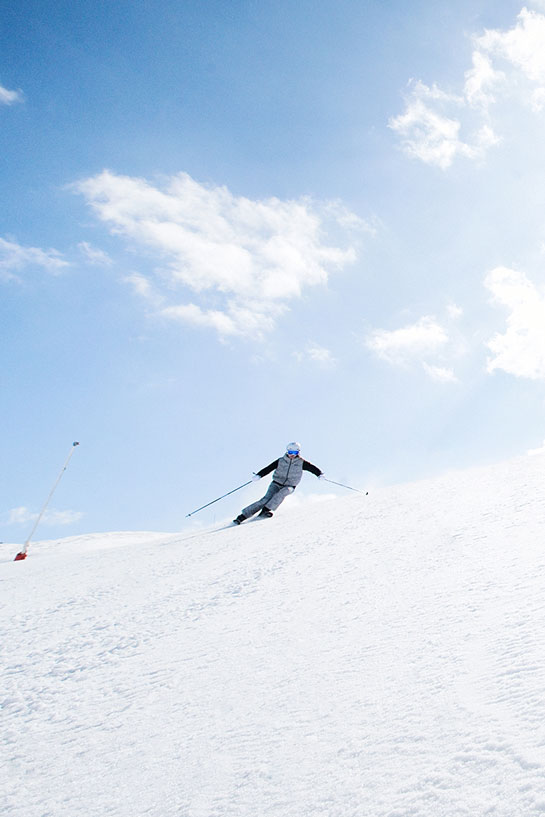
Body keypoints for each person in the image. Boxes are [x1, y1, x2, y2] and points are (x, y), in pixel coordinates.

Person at [233, 442, 324, 523]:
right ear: (287, 451)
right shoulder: (280, 461)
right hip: (276, 483)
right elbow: (269, 468)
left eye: (295, 453)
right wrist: (259, 475)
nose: (292, 455)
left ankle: (266, 510)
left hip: (290, 485)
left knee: (281, 494)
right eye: (290, 452)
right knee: (265, 499)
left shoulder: (302, 463)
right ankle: (242, 516)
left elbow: (313, 468)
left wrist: (319, 474)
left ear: (298, 452)